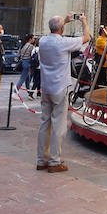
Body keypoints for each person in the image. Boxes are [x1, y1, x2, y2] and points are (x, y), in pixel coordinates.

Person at [36, 12, 90, 172]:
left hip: (45, 88)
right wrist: (84, 21)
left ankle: (41, 160)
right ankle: (54, 161)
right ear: (61, 29)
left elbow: (54, 32)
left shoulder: (43, 41)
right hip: (59, 88)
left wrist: (64, 22)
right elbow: (86, 38)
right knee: (59, 125)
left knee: (44, 123)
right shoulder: (63, 43)